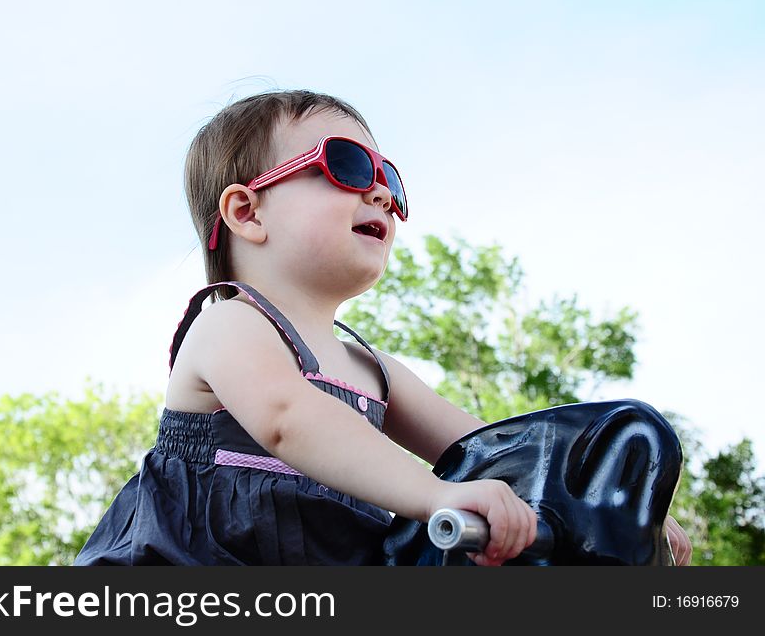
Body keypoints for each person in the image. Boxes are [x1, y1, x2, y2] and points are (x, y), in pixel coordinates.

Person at [74, 89, 691, 566]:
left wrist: (610, 502)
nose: (380, 193)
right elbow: (289, 420)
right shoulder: (231, 324)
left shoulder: (372, 371)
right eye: (346, 165)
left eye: (390, 180)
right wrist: (435, 496)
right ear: (247, 211)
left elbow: (502, 450)